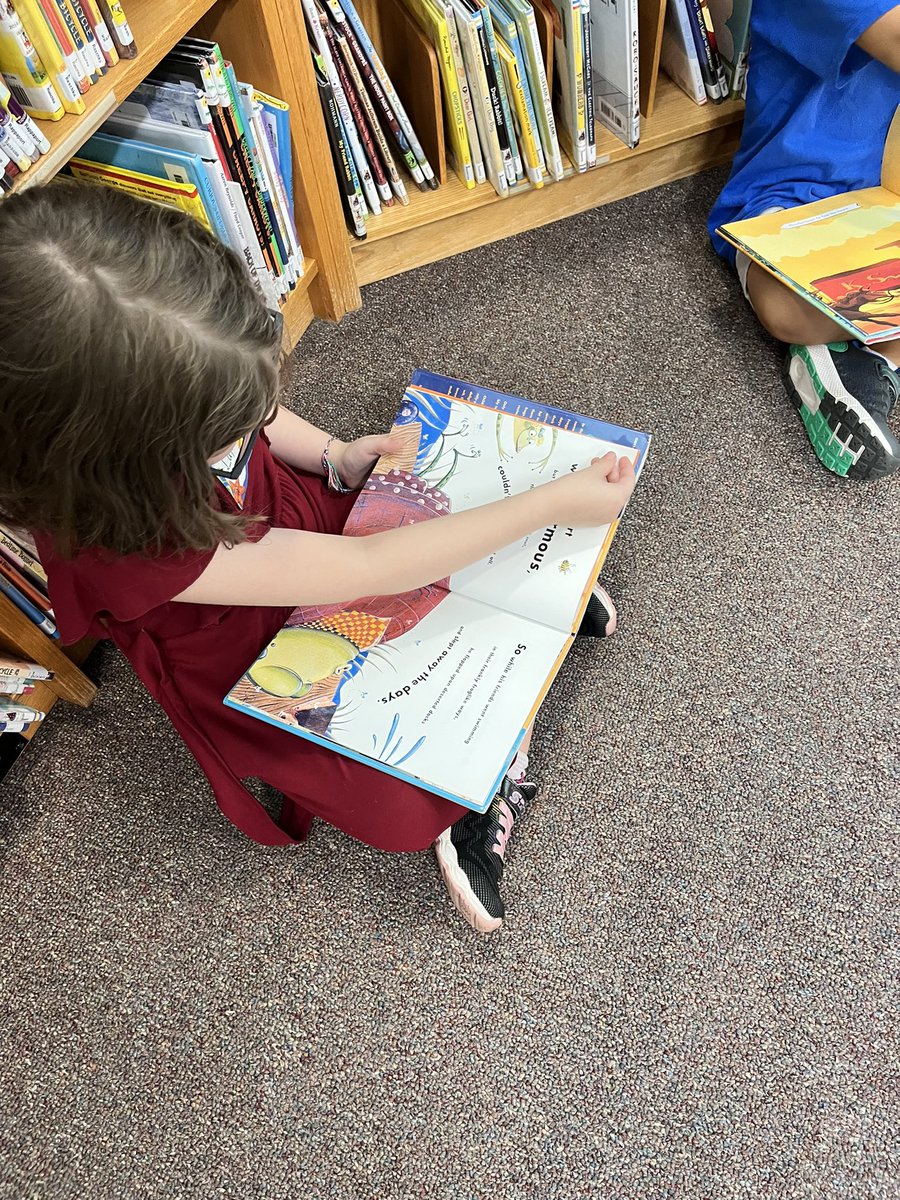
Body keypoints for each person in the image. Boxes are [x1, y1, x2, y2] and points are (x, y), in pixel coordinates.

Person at [0, 182, 635, 933]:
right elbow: (368, 573)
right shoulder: (131, 545)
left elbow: (260, 418)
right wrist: (551, 505)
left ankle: (510, 626)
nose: (253, 415)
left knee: (432, 529)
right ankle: (490, 740)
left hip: (290, 527)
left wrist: (333, 454)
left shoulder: (155, 394)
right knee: (398, 800)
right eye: (221, 429)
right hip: (238, 634)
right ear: (123, 462)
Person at [709, 0, 900, 481]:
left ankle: (869, 360)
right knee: (787, 309)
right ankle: (871, 354)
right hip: (797, 197)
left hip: (889, 193)